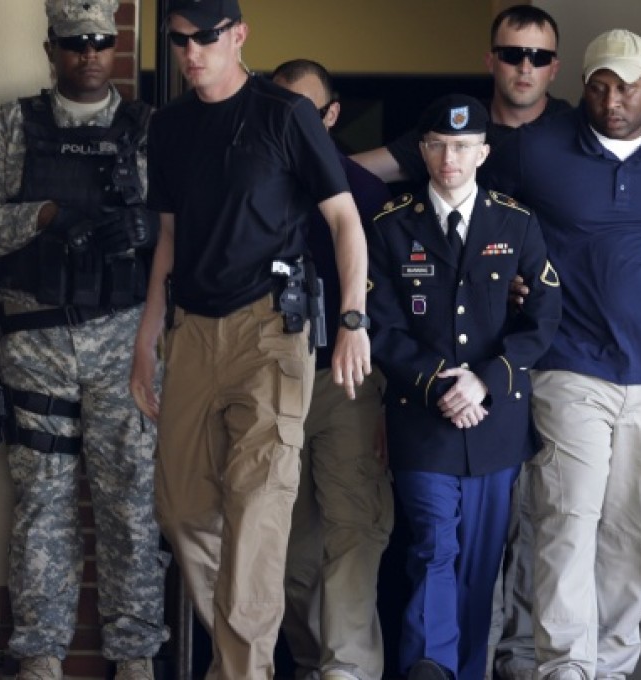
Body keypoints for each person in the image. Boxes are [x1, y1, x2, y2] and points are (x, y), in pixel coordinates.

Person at [129, 0, 372, 677]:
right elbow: (169, 238)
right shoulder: (171, 126)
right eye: (178, 41)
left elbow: (346, 220)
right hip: (192, 335)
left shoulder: (283, 113)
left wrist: (352, 321)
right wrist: (146, 340)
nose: (190, 52)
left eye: (204, 38)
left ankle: (242, 669)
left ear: (239, 36)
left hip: (271, 332)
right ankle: (245, 653)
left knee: (258, 510)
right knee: (180, 512)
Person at [485, 29, 641, 680]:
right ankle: (565, 668)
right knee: (566, 519)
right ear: (583, 86)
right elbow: (484, 216)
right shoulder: (534, 151)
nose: (614, 100)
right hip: (569, 360)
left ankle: (610, 664)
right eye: (601, 85)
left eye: (628, 86)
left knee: (640, 531)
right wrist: (508, 276)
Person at [0, 1, 168, 679]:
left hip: (124, 341)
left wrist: (143, 231)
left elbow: (190, 230)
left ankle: (137, 654)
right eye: (74, 43)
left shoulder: (149, 133)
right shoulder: (10, 129)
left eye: (100, 42)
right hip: (34, 337)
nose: (90, 54)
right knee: (42, 506)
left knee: (131, 503)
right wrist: (46, 216)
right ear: (51, 47)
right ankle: (41, 654)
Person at [366, 94, 561, 680]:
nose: (449, 158)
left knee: (481, 563)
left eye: (461, 146)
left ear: (482, 151)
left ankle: (465, 669)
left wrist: (485, 382)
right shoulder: (391, 224)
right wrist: (439, 384)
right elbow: (380, 323)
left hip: (495, 419)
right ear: (423, 151)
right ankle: (431, 665)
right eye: (438, 145)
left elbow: (544, 317)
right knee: (433, 546)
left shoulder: (517, 222)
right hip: (423, 417)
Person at [270, 59, 394, 680]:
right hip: (271, 382)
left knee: (353, 532)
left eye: (306, 113)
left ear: (331, 116)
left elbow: (400, 302)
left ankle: (346, 670)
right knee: (286, 556)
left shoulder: (366, 195)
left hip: (349, 383)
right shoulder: (250, 185)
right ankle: (310, 659)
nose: (293, 126)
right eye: (281, 110)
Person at [351, 5, 570, 185]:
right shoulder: (458, 120)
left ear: (554, 69)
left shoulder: (573, 127)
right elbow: (355, 171)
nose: (525, 68)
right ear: (490, 62)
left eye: (539, 57)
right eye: (512, 55)